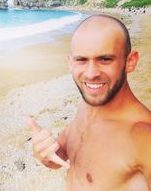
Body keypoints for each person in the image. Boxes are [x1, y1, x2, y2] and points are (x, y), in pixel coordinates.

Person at [25, 14, 151, 191]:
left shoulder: (143, 138)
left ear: (130, 62)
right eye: (81, 60)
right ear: (70, 62)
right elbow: (62, 157)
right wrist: (45, 154)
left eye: (105, 59)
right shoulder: (85, 106)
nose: (91, 73)